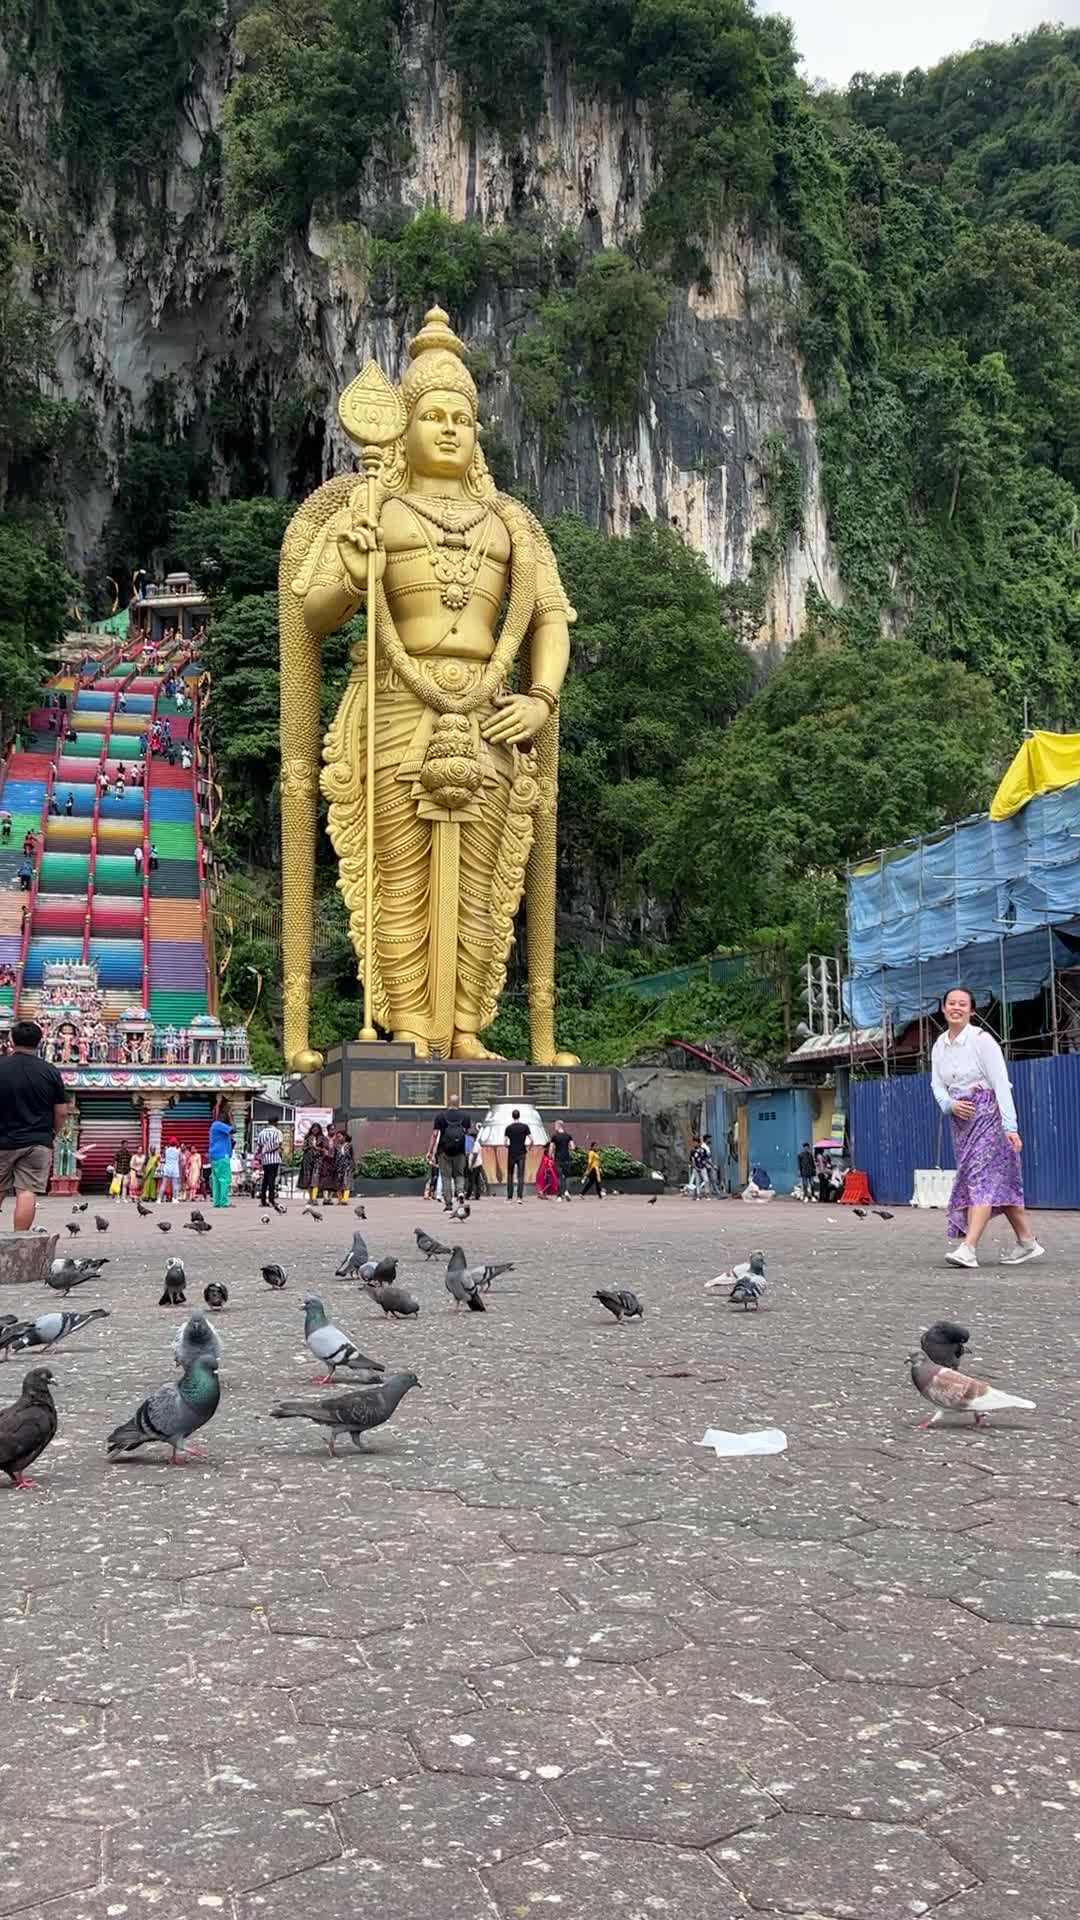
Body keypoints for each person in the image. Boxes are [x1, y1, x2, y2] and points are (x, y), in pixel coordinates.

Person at [931, 984, 1043, 1269]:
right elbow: (937, 1084)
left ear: (971, 1010)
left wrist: (1010, 1126)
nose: (956, 1008)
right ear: (943, 1008)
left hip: (989, 1117)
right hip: (961, 1121)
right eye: (951, 1003)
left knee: (980, 1179)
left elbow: (1001, 1084)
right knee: (996, 1182)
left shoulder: (982, 1041)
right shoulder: (939, 1045)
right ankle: (1027, 1241)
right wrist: (949, 1105)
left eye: (962, 1004)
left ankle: (968, 1249)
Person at [0, 1020, 69, 1231]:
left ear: (11, 1041)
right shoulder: (49, 1071)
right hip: (38, 1141)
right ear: (40, 1043)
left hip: (2, 1140)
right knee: (27, 1191)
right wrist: (52, 1134)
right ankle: (20, 1238)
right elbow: (62, 1111)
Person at [429, 1094, 471, 1215]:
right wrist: (467, 1151)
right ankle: (460, 1192)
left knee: (446, 1177)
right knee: (459, 1174)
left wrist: (430, 1151)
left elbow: (435, 1134)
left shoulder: (440, 1116)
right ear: (459, 1103)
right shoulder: (465, 1116)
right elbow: (466, 1134)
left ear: (449, 1102)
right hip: (460, 1151)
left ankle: (448, 1205)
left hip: (444, 1151)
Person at [208, 1104, 234, 1207]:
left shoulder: (215, 1126)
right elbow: (234, 1129)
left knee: (216, 1179)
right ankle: (223, 1202)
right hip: (222, 1155)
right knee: (224, 1179)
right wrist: (231, 1116)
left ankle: (217, 1202)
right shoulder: (219, 1124)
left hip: (215, 1155)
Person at [503, 1108, 531, 1203]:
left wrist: (509, 1147)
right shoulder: (525, 1127)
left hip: (511, 1153)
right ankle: (519, 1197)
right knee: (520, 1176)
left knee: (510, 1175)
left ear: (512, 1116)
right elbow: (532, 1140)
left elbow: (505, 1143)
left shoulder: (508, 1128)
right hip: (522, 1153)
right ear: (519, 1116)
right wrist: (528, 1148)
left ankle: (509, 1197)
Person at [255, 1116, 283, 1208]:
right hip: (274, 1159)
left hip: (265, 1159)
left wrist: (260, 1154)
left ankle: (263, 1199)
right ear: (276, 1122)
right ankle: (271, 1199)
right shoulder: (277, 1132)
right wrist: (269, 1150)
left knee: (265, 1179)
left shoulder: (262, 1133)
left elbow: (259, 1146)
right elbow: (278, 1145)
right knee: (272, 1179)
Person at [298, 1122, 325, 1202]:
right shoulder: (307, 1137)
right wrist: (307, 1147)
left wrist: (317, 1148)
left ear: (319, 1130)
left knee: (315, 1177)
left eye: (316, 1129)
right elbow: (303, 1148)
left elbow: (324, 1149)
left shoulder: (322, 1138)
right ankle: (310, 1198)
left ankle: (314, 1198)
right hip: (307, 1159)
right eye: (313, 1129)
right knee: (308, 1178)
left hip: (318, 1159)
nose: (315, 1130)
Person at [550, 1119, 574, 1201]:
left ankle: (559, 1196)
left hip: (558, 1158)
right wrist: (569, 1150)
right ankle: (567, 1191)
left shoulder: (554, 1136)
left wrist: (550, 1156)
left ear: (558, 1126)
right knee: (567, 1176)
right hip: (566, 1158)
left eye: (555, 1126)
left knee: (559, 1177)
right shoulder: (568, 1135)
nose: (554, 1127)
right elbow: (573, 1147)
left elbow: (551, 1148)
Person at [333, 1127, 354, 1203]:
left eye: (339, 1136)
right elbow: (335, 1157)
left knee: (346, 1182)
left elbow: (351, 1156)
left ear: (344, 1137)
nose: (338, 1138)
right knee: (338, 1183)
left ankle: (345, 1199)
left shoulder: (349, 1145)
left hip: (347, 1166)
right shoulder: (336, 1146)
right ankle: (340, 1199)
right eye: (337, 1137)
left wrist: (352, 1165)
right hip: (338, 1166)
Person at [161, 1136, 182, 1202]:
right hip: (174, 1169)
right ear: (176, 1143)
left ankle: (159, 1199)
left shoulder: (166, 1150)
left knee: (163, 1184)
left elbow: (163, 1157)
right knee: (175, 1184)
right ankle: (174, 1198)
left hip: (167, 1168)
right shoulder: (178, 1151)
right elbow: (180, 1159)